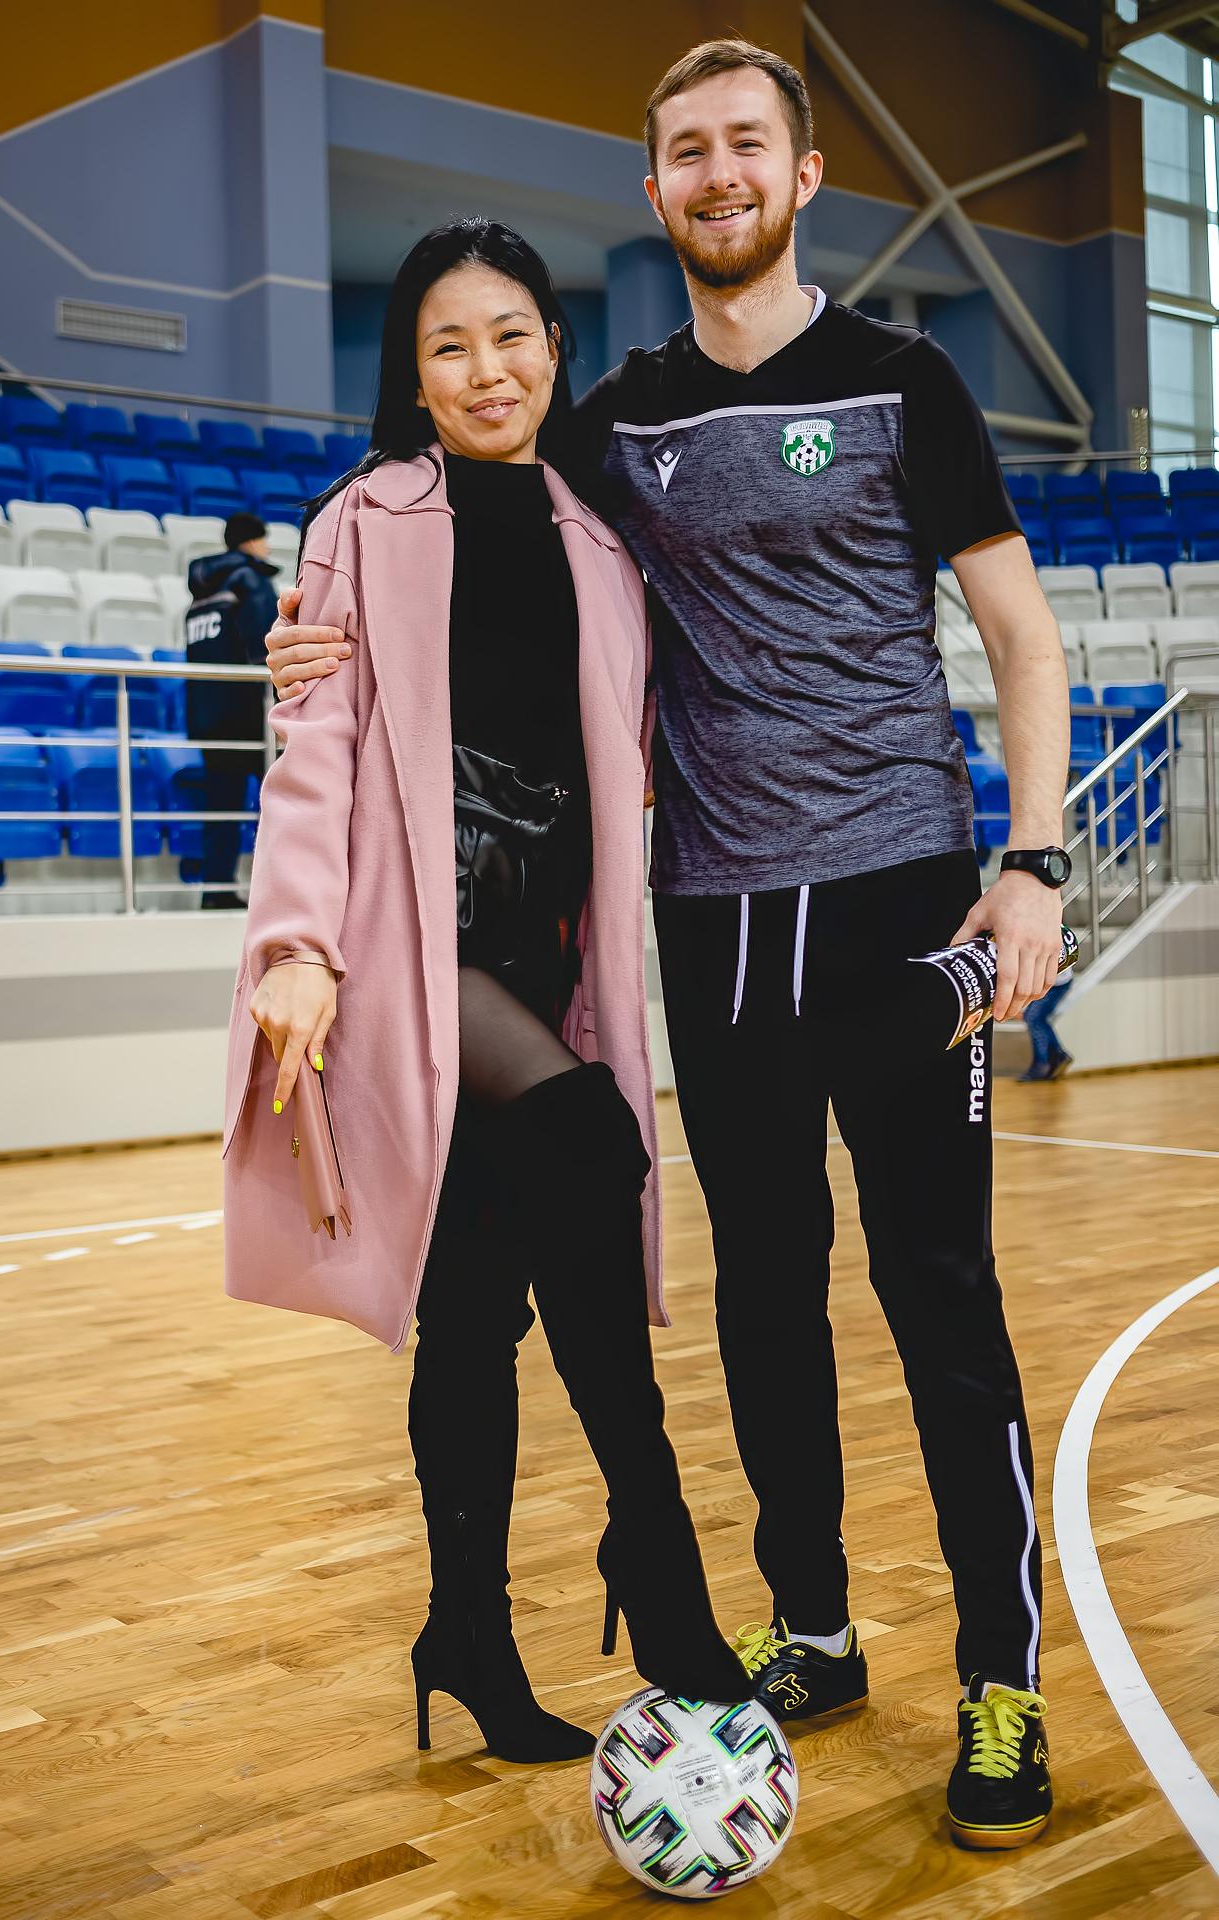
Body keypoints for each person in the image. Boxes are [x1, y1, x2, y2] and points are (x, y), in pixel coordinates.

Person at [263, 41, 1070, 1849]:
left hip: (906, 899)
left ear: (804, 175)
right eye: (687, 151)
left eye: (747, 144)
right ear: (654, 191)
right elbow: (456, 511)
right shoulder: (614, 422)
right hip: (713, 917)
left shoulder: (909, 379)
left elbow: (1022, 634)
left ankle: (1003, 1679)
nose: (719, 175)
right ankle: (814, 1627)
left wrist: (1032, 866)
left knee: (939, 1296)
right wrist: (308, 636)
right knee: (765, 1298)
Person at [222, 219, 749, 1767]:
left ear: (554, 350)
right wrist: (295, 945)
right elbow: (316, 750)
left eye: (511, 335)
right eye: (448, 346)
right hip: (411, 956)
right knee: (593, 1147)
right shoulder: (361, 522)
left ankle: (467, 1630)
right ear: (413, 375)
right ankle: (661, 1569)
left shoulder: (600, 541)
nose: (485, 369)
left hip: (546, 959)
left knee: (477, 1302)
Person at [184, 511, 279, 909]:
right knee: (278, 804)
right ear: (252, 541)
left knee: (220, 806)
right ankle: (277, 894)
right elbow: (267, 649)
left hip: (208, 716)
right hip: (250, 714)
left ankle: (217, 888)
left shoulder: (200, 596)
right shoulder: (251, 580)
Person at [1020, 978, 1074, 1080]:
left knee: (1034, 1018)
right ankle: (1057, 1056)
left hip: (1054, 984)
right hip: (1050, 983)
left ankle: (1045, 1062)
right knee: (1033, 1018)